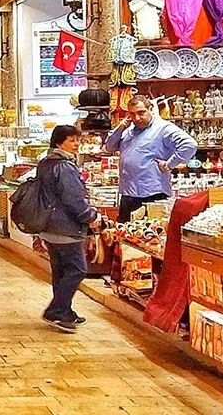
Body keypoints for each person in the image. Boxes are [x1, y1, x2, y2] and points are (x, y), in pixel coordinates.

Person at [36, 125, 100, 333]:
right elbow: (73, 198)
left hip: (49, 226)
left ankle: (65, 310)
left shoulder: (46, 162)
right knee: (77, 269)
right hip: (65, 227)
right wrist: (90, 217)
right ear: (58, 142)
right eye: (72, 141)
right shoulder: (64, 167)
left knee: (61, 271)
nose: (76, 145)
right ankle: (56, 310)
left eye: (77, 140)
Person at [103, 96, 198, 221]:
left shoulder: (163, 128)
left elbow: (190, 144)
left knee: (151, 235)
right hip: (128, 194)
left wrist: (169, 164)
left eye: (141, 112)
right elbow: (109, 147)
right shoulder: (128, 130)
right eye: (132, 114)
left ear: (150, 109)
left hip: (152, 195)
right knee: (125, 235)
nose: (137, 118)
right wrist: (120, 128)